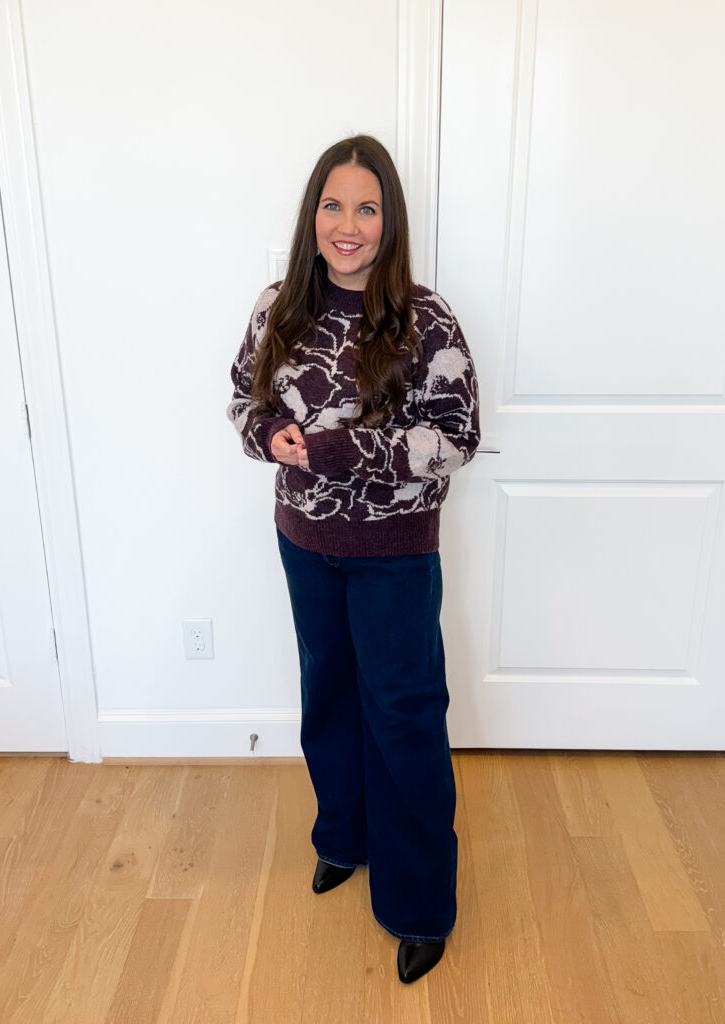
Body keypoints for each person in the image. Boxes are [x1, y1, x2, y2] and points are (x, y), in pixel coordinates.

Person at [226, 135, 480, 985]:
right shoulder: (277, 308)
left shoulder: (425, 318)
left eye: (366, 208)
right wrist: (269, 433)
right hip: (303, 544)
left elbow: (457, 439)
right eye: (332, 206)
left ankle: (419, 905)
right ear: (312, 217)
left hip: (394, 556)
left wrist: (348, 451)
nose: (347, 225)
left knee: (402, 716)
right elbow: (242, 399)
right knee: (327, 694)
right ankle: (344, 837)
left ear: (388, 221)